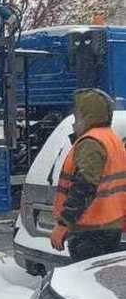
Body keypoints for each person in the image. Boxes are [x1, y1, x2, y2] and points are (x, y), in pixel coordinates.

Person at [51, 89, 126, 261]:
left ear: (88, 117)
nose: (74, 122)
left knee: (84, 283)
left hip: (90, 231)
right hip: (108, 226)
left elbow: (84, 187)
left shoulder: (91, 143)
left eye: (77, 117)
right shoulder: (111, 138)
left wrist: (63, 224)